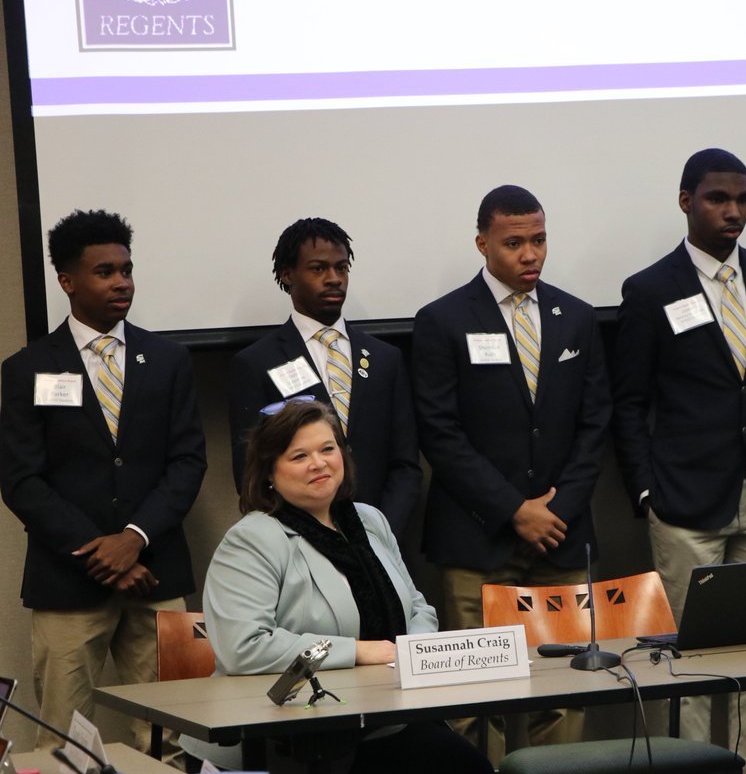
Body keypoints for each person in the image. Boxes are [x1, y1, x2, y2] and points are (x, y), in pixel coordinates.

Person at [611, 149, 746, 774]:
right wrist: (646, 491)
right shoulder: (649, 289)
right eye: (718, 199)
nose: (734, 211)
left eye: (743, 199)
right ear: (686, 202)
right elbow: (630, 403)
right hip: (686, 503)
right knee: (691, 665)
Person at [411, 185, 611, 762]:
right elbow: (440, 434)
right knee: (473, 699)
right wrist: (513, 510)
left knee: (567, 692)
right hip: (476, 540)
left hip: (561, 537)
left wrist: (556, 510)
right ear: (483, 244)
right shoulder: (442, 321)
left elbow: (595, 425)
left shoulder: (575, 317)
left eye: (539, 240)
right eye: (514, 242)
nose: (531, 255)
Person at [0, 209, 206, 751]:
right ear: (67, 282)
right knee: (63, 737)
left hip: (156, 574)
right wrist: (100, 554)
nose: (122, 282)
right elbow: (22, 481)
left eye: (127, 269)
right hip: (68, 584)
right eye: (105, 271)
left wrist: (133, 539)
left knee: (174, 735)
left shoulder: (168, 360)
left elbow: (188, 462)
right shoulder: (27, 369)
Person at [201, 399, 492, 773]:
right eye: (299, 456)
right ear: (270, 472)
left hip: (384, 717)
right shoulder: (252, 539)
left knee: (470, 766)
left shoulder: (369, 520)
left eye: (327, 448)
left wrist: (412, 652)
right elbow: (244, 648)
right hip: (290, 732)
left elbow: (418, 607)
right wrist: (358, 651)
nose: (319, 463)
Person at [228, 217, 422, 538]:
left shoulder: (387, 359)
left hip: (380, 541)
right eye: (318, 269)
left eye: (342, 268)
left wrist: (379, 534)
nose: (334, 279)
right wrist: (315, 538)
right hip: (302, 546)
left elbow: (406, 466)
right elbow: (251, 474)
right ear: (288, 275)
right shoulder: (256, 363)